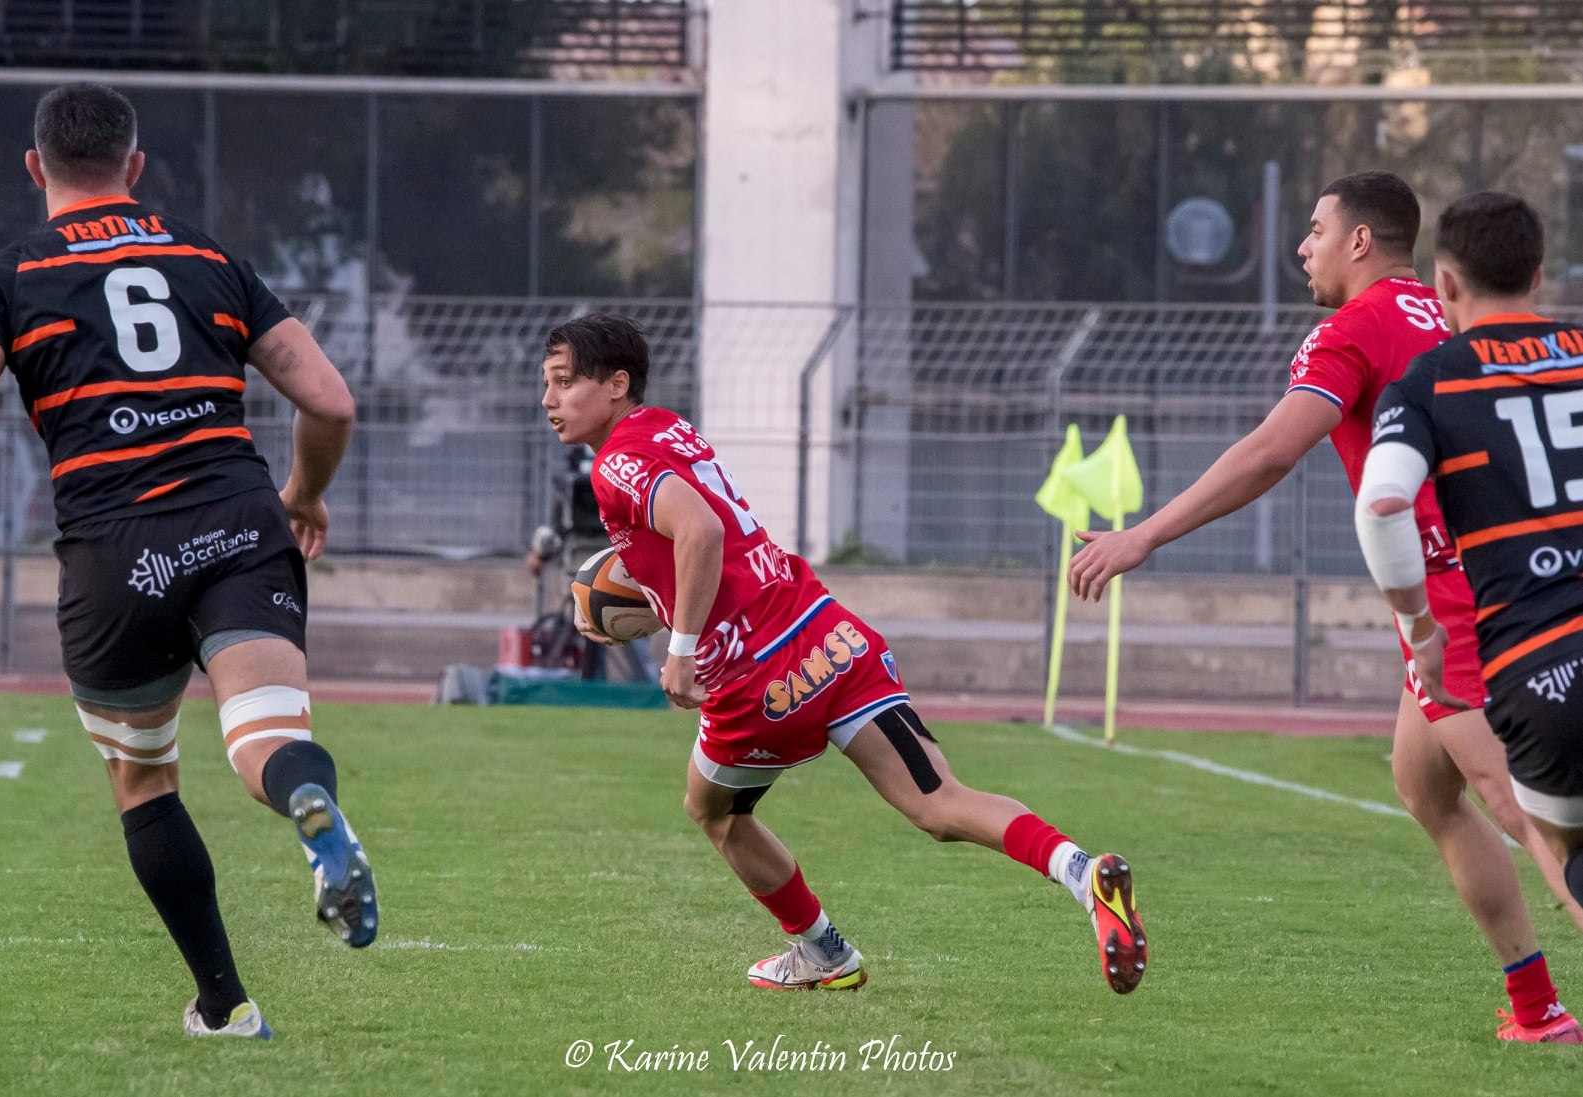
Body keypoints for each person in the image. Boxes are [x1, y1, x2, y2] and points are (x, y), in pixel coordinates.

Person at [1067, 170, 1583, 1041]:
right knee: (1426, 790)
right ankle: (1535, 1008)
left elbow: (1272, 450)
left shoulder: (1353, 329)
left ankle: (1545, 1010)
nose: (1302, 246)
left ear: (1359, 240)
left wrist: (1143, 535)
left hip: (1455, 609)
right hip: (1500, 583)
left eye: (1314, 229)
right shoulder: (1446, 312)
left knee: (1525, 813)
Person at [0, 83, 378, 1039]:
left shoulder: (4, 281)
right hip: (238, 522)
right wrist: (304, 494)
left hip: (115, 552)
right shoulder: (210, 258)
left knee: (144, 779)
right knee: (263, 738)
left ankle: (226, 1003)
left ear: (35, 167)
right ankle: (310, 800)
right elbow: (331, 401)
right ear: (135, 166)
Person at [541, 313, 1148, 994]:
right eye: (548, 384)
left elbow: (701, 532)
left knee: (714, 813)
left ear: (616, 384)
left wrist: (679, 651)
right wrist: (656, 594)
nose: (549, 399)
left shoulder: (615, 463)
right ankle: (1080, 872)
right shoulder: (667, 427)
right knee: (940, 801)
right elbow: (709, 548)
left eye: (564, 382)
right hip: (825, 630)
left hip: (757, 674)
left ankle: (822, 952)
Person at [1356, 191, 1583, 1043]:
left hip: (1536, 666)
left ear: (1445, 285)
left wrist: (1418, 630)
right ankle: (1535, 1007)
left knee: (1560, 851)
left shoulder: (1429, 381)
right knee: (1425, 787)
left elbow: (1383, 504)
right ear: (1536, 275)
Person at [525, 444, 654, 681]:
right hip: (585, 575)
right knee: (589, 635)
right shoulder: (570, 496)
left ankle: (648, 689)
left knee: (632, 629)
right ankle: (596, 685)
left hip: (620, 577)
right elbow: (555, 531)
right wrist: (539, 554)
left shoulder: (626, 493)